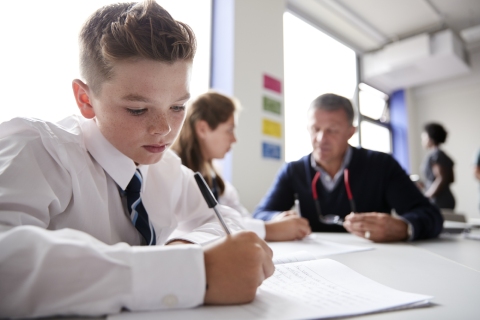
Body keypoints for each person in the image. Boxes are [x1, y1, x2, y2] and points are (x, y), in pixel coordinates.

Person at [0, 1, 274, 318]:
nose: (165, 130)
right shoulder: (35, 150)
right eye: (138, 110)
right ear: (85, 99)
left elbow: (222, 217)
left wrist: (185, 249)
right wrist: (182, 274)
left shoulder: (166, 168)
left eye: (177, 107)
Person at [253, 93, 443, 242]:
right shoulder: (293, 171)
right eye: (315, 129)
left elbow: (430, 215)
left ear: (351, 132)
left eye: (332, 130)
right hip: (317, 264)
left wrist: (403, 227)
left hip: (376, 263)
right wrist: (280, 218)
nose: (321, 139)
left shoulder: (381, 165)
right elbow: (260, 215)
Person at [171, 91, 311, 241]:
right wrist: (270, 230)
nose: (234, 139)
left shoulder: (217, 182)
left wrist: (275, 221)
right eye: (229, 130)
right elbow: (200, 224)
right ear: (202, 129)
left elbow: (239, 217)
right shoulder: (173, 173)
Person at [420, 123, 456, 209]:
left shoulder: (436, 155)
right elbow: (451, 179)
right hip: (445, 199)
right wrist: (425, 185)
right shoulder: (443, 155)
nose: (422, 140)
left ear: (430, 138)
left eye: (423, 137)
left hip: (438, 201)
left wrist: (427, 196)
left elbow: (441, 178)